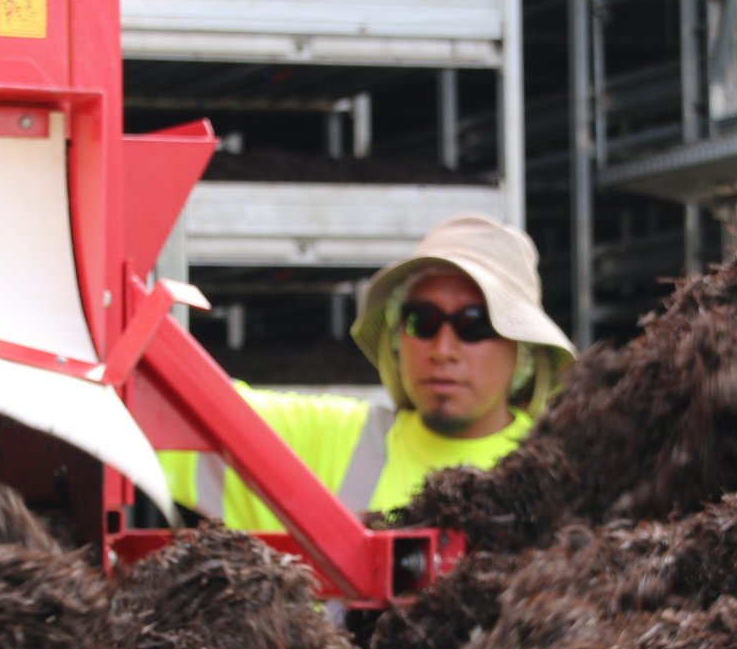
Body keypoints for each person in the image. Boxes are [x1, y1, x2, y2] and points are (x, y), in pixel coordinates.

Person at [166, 214, 575, 528]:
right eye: (422, 321)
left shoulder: (561, 482)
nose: (443, 349)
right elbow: (177, 404)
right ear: (398, 338)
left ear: (522, 351)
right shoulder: (335, 441)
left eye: (475, 324)